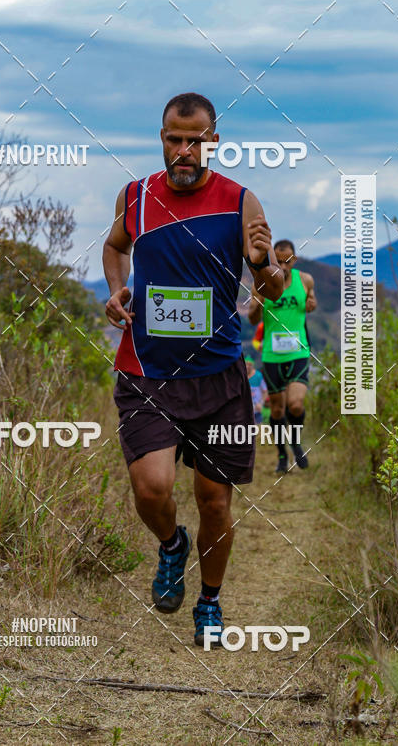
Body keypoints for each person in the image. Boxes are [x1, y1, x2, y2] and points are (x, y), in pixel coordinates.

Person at [102, 92, 283, 646]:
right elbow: (115, 248)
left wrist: (267, 265)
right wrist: (115, 292)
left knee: (215, 500)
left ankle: (209, 599)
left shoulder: (240, 202)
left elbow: (268, 286)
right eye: (172, 139)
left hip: (219, 378)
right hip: (146, 372)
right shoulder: (135, 196)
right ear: (161, 139)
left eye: (194, 141)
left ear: (213, 143)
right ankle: (171, 546)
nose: (182, 151)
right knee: (152, 487)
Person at [247, 239, 317, 473]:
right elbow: (252, 320)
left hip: (298, 352)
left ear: (293, 260)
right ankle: (281, 456)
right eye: (279, 261)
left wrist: (311, 303)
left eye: (287, 261)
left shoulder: (305, 280)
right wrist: (256, 307)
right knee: (277, 411)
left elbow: (311, 302)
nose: (283, 267)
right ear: (272, 260)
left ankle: (295, 443)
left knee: (295, 405)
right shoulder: (262, 284)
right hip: (272, 355)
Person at [245, 358, 267, 425]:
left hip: (256, 410)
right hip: (244, 411)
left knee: (258, 430)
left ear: (253, 365)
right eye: (246, 364)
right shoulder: (241, 376)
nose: (248, 366)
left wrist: (261, 403)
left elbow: (265, 391)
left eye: (250, 364)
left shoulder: (258, 375)